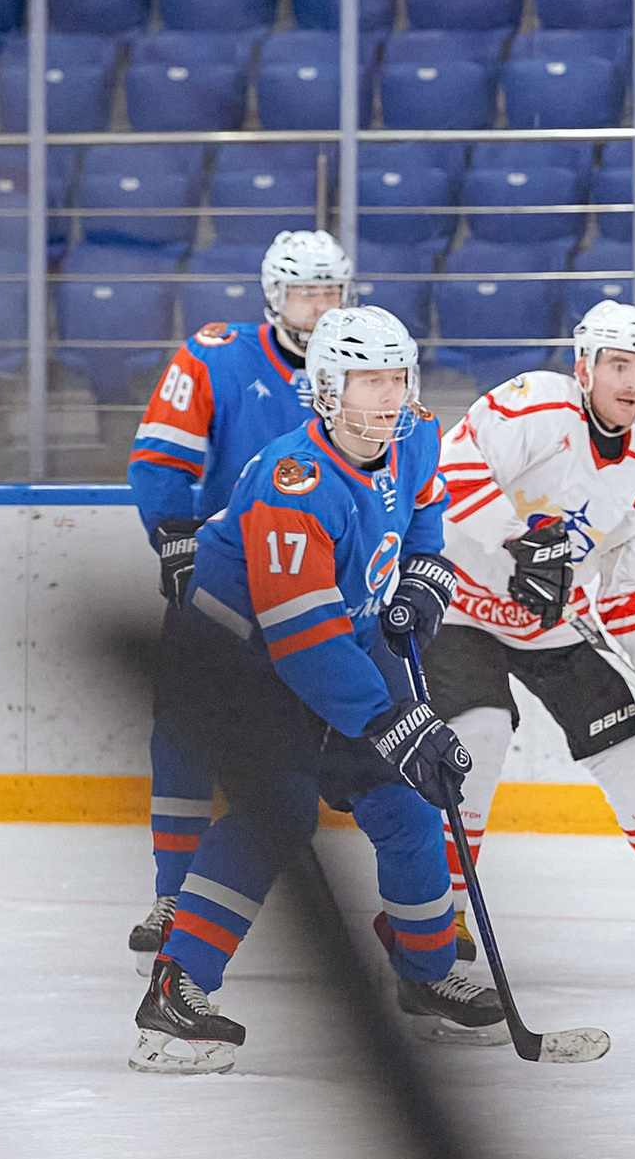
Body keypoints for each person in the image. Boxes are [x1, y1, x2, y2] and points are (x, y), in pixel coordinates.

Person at [131, 306, 503, 1074]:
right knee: (281, 809)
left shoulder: (416, 435)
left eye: (397, 375)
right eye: (370, 378)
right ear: (327, 389)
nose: (389, 394)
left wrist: (426, 583)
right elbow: (302, 638)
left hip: (329, 649)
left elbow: (426, 512)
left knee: (406, 802)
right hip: (238, 664)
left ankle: (427, 977)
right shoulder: (291, 484)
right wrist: (392, 721)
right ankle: (176, 990)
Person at [421, 300, 635, 970]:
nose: (630, 382)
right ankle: (444, 908)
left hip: (551, 621)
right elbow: (451, 466)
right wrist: (517, 542)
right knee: (477, 734)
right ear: (584, 366)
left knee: (628, 749)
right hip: (459, 604)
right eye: (617, 364)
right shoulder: (536, 404)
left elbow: (633, 595)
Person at [123, 231, 352, 973]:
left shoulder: (364, 368)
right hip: (226, 581)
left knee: (337, 754)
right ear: (271, 295)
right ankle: (173, 897)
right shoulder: (217, 354)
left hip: (320, 589)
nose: (319, 309)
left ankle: (409, 916)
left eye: (331, 292)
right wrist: (175, 537)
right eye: (305, 293)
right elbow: (160, 456)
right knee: (184, 735)